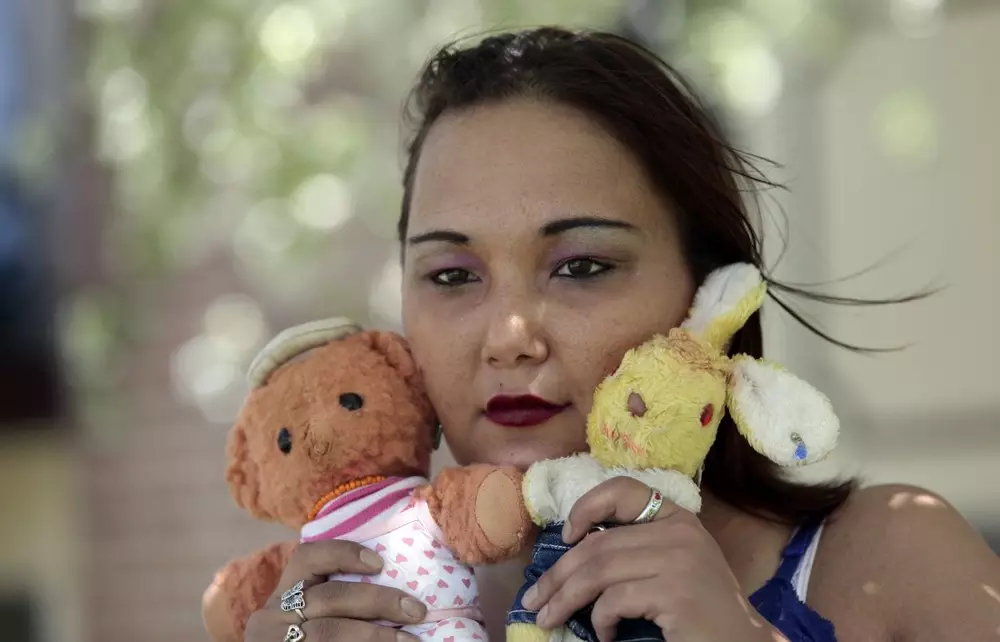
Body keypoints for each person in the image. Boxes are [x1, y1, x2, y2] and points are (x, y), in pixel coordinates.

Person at [243, 27, 1000, 642]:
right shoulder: (356, 604)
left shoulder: (895, 555)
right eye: (451, 276)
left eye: (580, 266)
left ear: (706, 293)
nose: (510, 336)